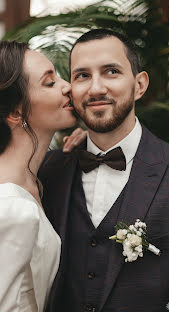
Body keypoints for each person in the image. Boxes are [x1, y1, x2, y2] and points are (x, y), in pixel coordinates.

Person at [39, 29, 169, 312]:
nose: (95, 88)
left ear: (140, 85)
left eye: (111, 72)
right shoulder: (48, 171)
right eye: (82, 75)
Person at [0, 40, 86, 312]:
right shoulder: (12, 208)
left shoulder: (38, 179)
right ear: (16, 112)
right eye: (50, 83)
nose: (67, 87)